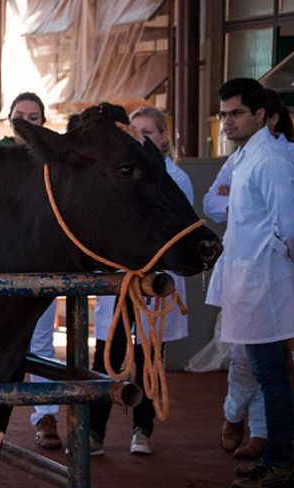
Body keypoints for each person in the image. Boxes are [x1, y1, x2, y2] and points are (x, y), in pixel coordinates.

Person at [205, 77, 294, 488]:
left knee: (271, 376)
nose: (227, 122)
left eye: (236, 113)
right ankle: (274, 457)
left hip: (264, 282)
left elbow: (290, 225)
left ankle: (280, 462)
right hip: (250, 280)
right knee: (263, 372)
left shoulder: (270, 159)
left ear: (260, 115)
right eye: (224, 115)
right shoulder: (243, 158)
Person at [90, 106, 194, 457]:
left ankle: (142, 430)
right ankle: (94, 432)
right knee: (108, 355)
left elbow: (171, 232)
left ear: (164, 136)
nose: (141, 139)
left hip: (154, 283)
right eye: (135, 132)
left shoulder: (176, 178)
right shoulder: (120, 176)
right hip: (122, 283)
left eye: (148, 132)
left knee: (149, 357)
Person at [0, 92, 64, 450]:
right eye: (19, 115)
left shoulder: (55, 163)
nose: (25, 122)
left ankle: (46, 415)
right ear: (9, 119)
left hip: (40, 266)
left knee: (40, 343)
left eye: (33, 117)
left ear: (42, 122)